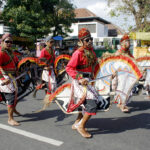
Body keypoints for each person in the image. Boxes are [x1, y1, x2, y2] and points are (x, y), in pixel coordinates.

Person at [66, 28, 109, 138]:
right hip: (79, 82)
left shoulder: (92, 52)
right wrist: (80, 78)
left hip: (89, 81)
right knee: (92, 104)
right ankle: (81, 126)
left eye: (91, 39)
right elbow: (69, 68)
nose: (89, 41)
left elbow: (95, 67)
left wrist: (107, 74)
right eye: (86, 40)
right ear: (81, 42)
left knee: (85, 103)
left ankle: (77, 122)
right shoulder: (77, 53)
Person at [0, 33, 20, 126]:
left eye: (11, 42)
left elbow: (15, 62)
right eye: (7, 41)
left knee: (15, 95)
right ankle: (10, 119)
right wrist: (3, 79)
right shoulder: (1, 52)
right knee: (11, 97)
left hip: (12, 77)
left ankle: (13, 109)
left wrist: (17, 71)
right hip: (5, 77)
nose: (9, 43)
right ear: (2, 41)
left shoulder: (10, 51)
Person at [39, 36, 57, 106]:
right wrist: (45, 66)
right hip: (46, 69)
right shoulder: (43, 50)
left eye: (53, 42)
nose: (52, 43)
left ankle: (50, 96)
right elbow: (40, 60)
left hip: (52, 68)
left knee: (54, 83)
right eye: (51, 42)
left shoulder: (52, 50)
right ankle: (49, 97)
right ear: (46, 43)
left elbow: (54, 59)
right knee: (50, 84)